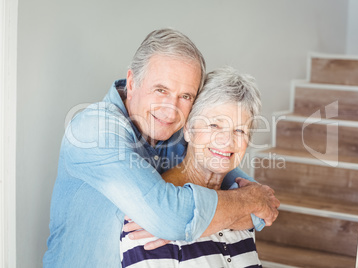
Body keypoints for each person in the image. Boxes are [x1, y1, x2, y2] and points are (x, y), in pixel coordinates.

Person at [43, 29, 279, 267]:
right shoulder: (93, 130)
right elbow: (173, 218)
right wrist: (181, 221)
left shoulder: (176, 132)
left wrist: (195, 220)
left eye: (186, 96)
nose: (171, 109)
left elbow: (259, 205)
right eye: (161, 90)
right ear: (132, 82)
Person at [121, 67, 264, 267]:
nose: (227, 140)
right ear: (188, 129)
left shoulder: (244, 204)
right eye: (214, 125)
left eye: (240, 130)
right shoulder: (154, 214)